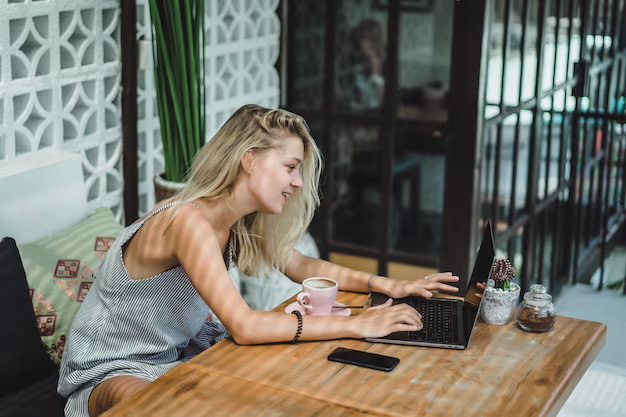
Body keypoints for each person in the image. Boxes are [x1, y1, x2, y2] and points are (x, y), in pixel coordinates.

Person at [58, 104, 464, 417]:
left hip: (176, 355)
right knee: (158, 405)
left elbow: (304, 266)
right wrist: (355, 323)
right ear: (249, 160)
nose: (298, 182)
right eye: (290, 167)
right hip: (110, 369)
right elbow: (245, 325)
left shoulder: (237, 222)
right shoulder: (186, 221)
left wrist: (387, 286)